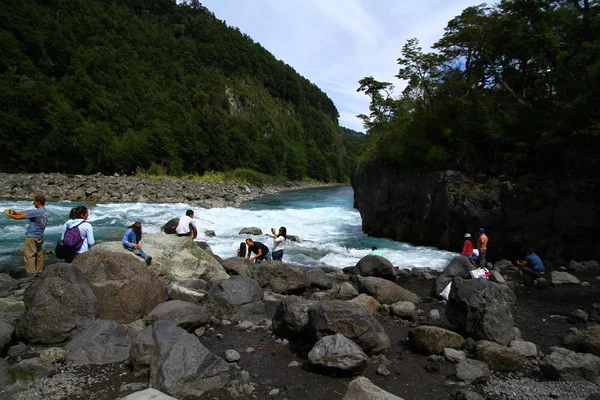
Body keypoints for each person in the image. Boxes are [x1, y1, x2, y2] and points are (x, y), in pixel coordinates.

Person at [3, 194, 48, 275]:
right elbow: (27, 213)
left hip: (32, 236)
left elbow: (18, 218)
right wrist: (16, 212)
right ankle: (39, 271)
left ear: (38, 202)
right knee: (39, 254)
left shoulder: (36, 212)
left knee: (29, 255)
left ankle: (31, 273)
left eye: (34, 201)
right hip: (40, 236)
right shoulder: (43, 211)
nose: (33, 202)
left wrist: (7, 214)